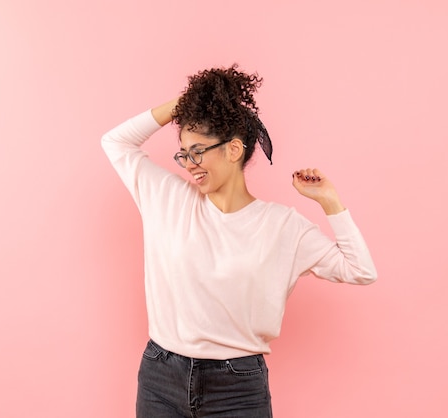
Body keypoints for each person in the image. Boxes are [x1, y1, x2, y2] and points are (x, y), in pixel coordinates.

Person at [101, 64, 377, 417]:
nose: (189, 164)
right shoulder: (166, 196)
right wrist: (186, 103)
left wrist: (330, 202)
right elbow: (115, 141)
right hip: (161, 376)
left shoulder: (282, 226)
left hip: (237, 387)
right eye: (184, 153)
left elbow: (360, 270)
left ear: (233, 150)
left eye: (198, 151)